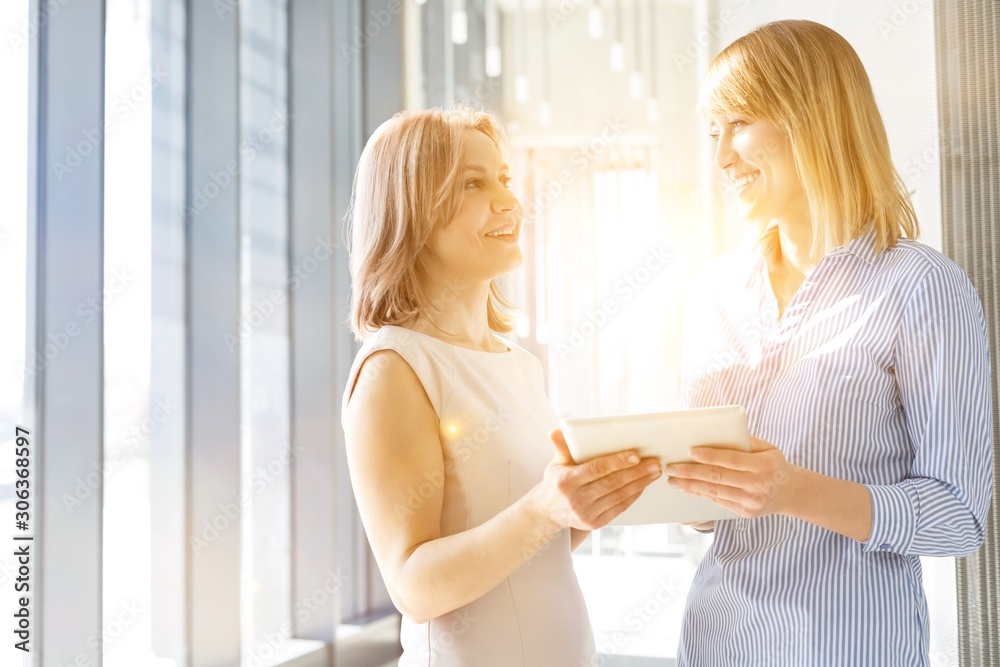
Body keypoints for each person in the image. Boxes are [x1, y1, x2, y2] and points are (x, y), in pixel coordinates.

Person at [664, 20, 993, 667]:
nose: (722, 156)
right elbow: (702, 511)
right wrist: (668, 485)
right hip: (714, 642)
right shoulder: (714, 291)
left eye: (740, 123)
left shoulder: (920, 287)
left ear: (812, 116)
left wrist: (792, 490)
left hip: (849, 648)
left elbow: (959, 515)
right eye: (713, 133)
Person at [341, 106, 663, 666]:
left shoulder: (518, 365)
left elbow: (529, 547)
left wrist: (587, 501)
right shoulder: (394, 368)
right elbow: (413, 588)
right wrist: (544, 509)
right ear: (410, 211)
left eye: (506, 179)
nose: (510, 202)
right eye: (473, 183)